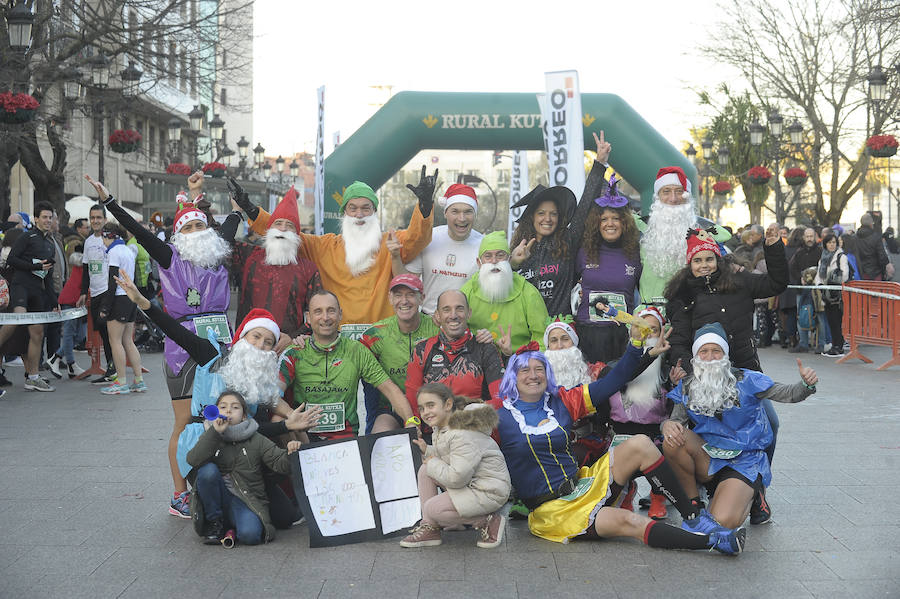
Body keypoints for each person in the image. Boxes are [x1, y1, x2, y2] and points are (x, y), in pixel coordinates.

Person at [494, 337, 745, 553]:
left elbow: (613, 381)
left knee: (640, 444)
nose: (533, 375)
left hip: (583, 484)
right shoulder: (498, 416)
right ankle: (714, 542)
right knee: (628, 521)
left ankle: (693, 518)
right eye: (524, 370)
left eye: (539, 368)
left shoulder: (561, 401)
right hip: (554, 511)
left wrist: (636, 345)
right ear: (512, 375)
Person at [86, 172, 240, 518]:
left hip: (221, 343)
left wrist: (232, 207)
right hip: (182, 346)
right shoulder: (169, 256)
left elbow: (231, 222)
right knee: (186, 421)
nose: (196, 232)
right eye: (187, 228)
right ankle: (179, 494)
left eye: (200, 225)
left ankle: (220, 485)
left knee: (223, 415)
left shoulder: (216, 253)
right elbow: (139, 231)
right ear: (176, 234)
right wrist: (109, 201)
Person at [115, 271, 315, 526]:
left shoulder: (259, 374)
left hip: (241, 452)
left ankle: (243, 500)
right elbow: (175, 330)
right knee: (222, 490)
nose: (260, 346)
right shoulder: (213, 354)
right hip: (206, 447)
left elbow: (273, 402)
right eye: (256, 336)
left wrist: (294, 418)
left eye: (268, 342)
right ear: (242, 336)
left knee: (285, 518)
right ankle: (210, 508)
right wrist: (143, 302)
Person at [662, 323, 818, 530]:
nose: (710, 357)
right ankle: (693, 504)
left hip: (744, 460)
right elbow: (677, 423)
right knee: (673, 439)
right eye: (704, 351)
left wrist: (805, 385)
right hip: (708, 457)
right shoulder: (688, 386)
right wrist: (667, 425)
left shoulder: (748, 379)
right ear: (696, 357)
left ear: (725, 354)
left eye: (716, 351)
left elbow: (788, 393)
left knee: (721, 522)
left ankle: (753, 493)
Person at [235, 168, 436, 327]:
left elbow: (417, 238)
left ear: (375, 212)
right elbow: (286, 230)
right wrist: (252, 211)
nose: (359, 214)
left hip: (381, 338)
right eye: (353, 208)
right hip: (337, 339)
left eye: (366, 208)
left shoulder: (390, 241)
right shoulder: (324, 246)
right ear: (344, 213)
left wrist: (424, 206)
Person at [279, 290, 414, 439]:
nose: (325, 317)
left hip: (345, 442)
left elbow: (390, 389)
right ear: (309, 318)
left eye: (331, 311)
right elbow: (272, 397)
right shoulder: (294, 352)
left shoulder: (356, 350)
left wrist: (410, 421)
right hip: (304, 437)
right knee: (277, 419)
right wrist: (292, 415)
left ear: (340, 314)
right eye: (318, 312)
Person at [509, 131, 612, 317]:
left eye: (553, 214)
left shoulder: (567, 240)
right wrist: (513, 264)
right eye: (541, 213)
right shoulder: (519, 247)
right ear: (532, 217)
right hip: (527, 334)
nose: (547, 219)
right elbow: (504, 290)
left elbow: (585, 207)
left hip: (561, 332)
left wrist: (599, 165)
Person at [400, 383, 512, 549]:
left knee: (433, 508)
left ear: (448, 405)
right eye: (422, 408)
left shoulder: (461, 433)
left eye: (431, 405)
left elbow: (456, 478)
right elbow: (449, 456)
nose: (426, 413)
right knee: (426, 470)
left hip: (488, 490)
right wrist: (427, 450)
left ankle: (488, 521)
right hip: (472, 482)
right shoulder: (444, 426)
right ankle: (430, 527)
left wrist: (432, 462)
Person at [187, 390, 303, 546]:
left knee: (251, 536)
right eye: (223, 407)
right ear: (215, 412)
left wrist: (290, 453)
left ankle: (230, 527)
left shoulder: (256, 438)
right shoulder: (209, 434)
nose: (228, 410)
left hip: (245, 499)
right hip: (218, 498)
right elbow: (193, 459)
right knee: (207, 471)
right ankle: (215, 522)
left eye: (235, 407)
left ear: (243, 416)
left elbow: (278, 462)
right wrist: (215, 433)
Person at [665, 226, 787, 372]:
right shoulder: (683, 294)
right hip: (706, 376)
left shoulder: (738, 279)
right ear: (690, 265)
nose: (704, 265)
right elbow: (679, 343)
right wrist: (692, 372)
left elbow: (776, 284)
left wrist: (773, 249)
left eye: (709, 259)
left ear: (717, 260)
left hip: (746, 369)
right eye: (697, 261)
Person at [234, 186, 321, 340]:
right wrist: (236, 212)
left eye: (289, 226)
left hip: (289, 349)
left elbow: (317, 312)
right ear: (269, 229)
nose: (282, 229)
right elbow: (217, 242)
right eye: (278, 223)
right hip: (247, 345)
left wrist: (292, 338)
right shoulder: (249, 256)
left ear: (296, 235)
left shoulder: (308, 269)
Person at [573, 175, 643, 363]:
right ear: (597, 223)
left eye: (615, 219)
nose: (609, 223)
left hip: (622, 335)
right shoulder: (583, 252)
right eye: (604, 219)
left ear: (624, 223)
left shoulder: (636, 254)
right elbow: (566, 285)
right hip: (587, 333)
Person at [637, 167, 731, 307]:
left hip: (690, 310)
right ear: (658, 197)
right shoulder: (640, 228)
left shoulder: (704, 230)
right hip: (650, 314)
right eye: (666, 191)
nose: (673, 198)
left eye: (679, 191)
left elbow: (723, 247)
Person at [360, 274, 439, 433]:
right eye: (398, 295)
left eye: (410, 295)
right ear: (390, 298)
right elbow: (349, 354)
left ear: (422, 298)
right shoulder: (376, 333)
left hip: (432, 407)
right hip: (392, 409)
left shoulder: (437, 328)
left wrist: (482, 335)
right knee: (380, 435)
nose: (404, 301)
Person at [405, 290, 506, 412]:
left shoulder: (485, 348)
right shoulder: (421, 350)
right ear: (437, 315)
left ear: (469, 313)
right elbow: (412, 402)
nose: (453, 315)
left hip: (474, 424)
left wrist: (463, 413)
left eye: (459, 309)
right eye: (446, 309)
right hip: (433, 427)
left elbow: (501, 398)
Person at [461, 231, 549, 355]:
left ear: (509, 259)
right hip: (477, 365)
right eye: (488, 256)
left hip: (518, 365)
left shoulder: (528, 292)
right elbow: (456, 330)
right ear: (479, 262)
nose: (494, 261)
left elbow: (542, 336)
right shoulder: (466, 292)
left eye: (500, 255)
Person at [0, 202, 57, 391]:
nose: (48, 220)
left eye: (50, 217)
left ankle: (32, 377)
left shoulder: (50, 243)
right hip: (20, 286)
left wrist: (54, 300)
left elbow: (48, 274)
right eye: (44, 217)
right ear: (36, 219)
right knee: (16, 321)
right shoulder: (27, 236)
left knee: (37, 332)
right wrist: (35, 266)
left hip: (37, 291)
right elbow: (12, 260)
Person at [402, 184, 483, 314]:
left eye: (468, 211)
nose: (462, 218)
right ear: (445, 213)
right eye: (455, 211)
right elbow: (408, 282)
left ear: (475, 214)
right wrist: (395, 256)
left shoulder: (484, 245)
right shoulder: (429, 238)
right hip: (428, 320)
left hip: (464, 324)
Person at [95, 223, 144, 394]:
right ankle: (138, 380)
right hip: (130, 297)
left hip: (119, 298)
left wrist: (105, 306)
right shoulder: (128, 250)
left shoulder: (114, 252)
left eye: (103, 237)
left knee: (115, 341)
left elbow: (112, 280)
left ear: (109, 236)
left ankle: (121, 382)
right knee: (128, 341)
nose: (102, 242)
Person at [45, 244, 86, 378]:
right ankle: (71, 364)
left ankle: (55, 358)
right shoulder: (83, 264)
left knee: (79, 336)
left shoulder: (85, 264)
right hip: (70, 300)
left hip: (77, 302)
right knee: (69, 333)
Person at [788, 228, 823, 354]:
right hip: (801, 290)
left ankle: (820, 344)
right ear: (803, 237)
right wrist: (800, 278)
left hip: (817, 290)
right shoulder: (799, 253)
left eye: (811, 236)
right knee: (801, 316)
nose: (809, 239)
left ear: (815, 237)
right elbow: (792, 268)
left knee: (819, 317)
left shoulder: (820, 251)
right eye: (807, 236)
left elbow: (822, 268)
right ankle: (803, 343)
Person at [814, 232, 848, 357]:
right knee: (830, 320)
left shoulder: (841, 256)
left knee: (837, 320)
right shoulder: (822, 258)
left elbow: (845, 275)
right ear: (825, 244)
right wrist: (820, 285)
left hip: (837, 295)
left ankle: (838, 346)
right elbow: (819, 275)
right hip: (826, 294)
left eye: (834, 242)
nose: (832, 245)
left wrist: (833, 278)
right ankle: (835, 345)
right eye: (829, 242)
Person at [857, 213, 890, 281]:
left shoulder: (854, 238)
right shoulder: (876, 237)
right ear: (871, 224)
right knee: (875, 291)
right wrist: (884, 270)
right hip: (875, 274)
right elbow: (882, 257)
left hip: (859, 273)